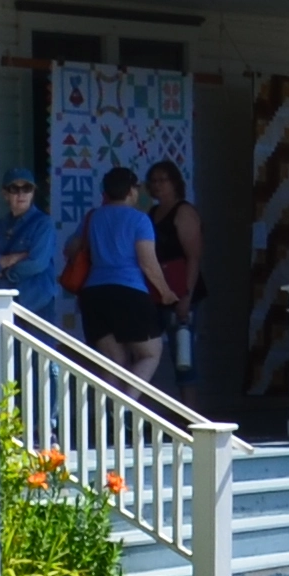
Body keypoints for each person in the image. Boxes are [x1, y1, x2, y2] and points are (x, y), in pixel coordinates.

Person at [73, 165, 167, 373]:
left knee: (114, 362)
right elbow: (148, 263)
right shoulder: (140, 219)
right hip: (129, 293)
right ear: (131, 190)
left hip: (94, 295)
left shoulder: (93, 217)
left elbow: (71, 248)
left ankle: (110, 406)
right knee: (150, 354)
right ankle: (128, 404)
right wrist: (166, 292)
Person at [143, 155, 208, 398]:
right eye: (153, 181)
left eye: (163, 180)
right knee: (148, 351)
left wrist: (186, 297)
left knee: (183, 355)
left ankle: (190, 420)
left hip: (182, 290)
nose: (158, 185)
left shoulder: (184, 212)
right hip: (156, 292)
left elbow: (194, 256)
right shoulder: (152, 212)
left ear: (175, 183)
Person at [0, 169, 73, 332]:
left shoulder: (43, 224)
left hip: (37, 303)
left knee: (42, 354)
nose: (21, 194)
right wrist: (9, 260)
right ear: (5, 194)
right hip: (4, 304)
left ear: (33, 192)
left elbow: (37, 262)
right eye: (14, 189)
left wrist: (5, 272)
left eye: (27, 189)